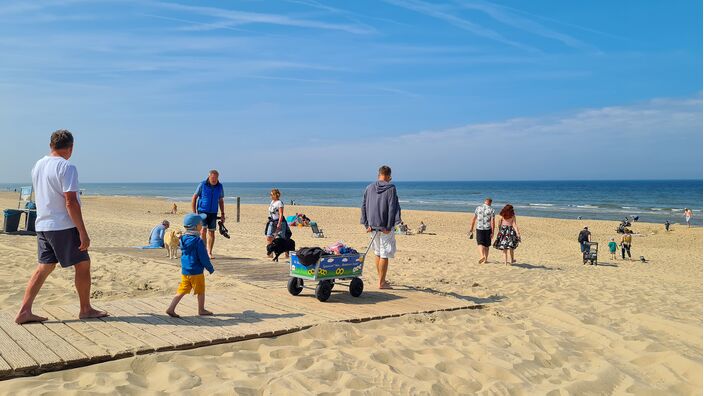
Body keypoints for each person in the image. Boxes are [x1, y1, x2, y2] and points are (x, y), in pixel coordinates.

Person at [15, 130, 108, 324]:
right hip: (62, 225)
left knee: (44, 266)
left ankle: (25, 310)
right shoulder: (67, 167)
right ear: (71, 147)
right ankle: (85, 308)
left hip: (42, 224)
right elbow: (71, 202)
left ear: (51, 145)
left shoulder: (38, 165)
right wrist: (82, 232)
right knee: (83, 264)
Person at [166, 213, 215, 318]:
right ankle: (201, 310)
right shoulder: (198, 241)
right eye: (200, 223)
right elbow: (203, 257)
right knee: (200, 291)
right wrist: (210, 268)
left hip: (185, 270)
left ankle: (171, 308)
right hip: (196, 271)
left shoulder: (183, 239)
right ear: (196, 227)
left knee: (182, 290)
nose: (202, 225)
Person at [361, 165, 401, 289]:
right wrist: (389, 226)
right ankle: (382, 282)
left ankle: (381, 280)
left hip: (372, 225)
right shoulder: (391, 188)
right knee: (384, 253)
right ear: (388, 176)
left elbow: (363, 206)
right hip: (384, 226)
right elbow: (392, 208)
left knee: (378, 252)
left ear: (379, 175)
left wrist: (367, 224)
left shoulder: (369, 187)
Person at [191, 170, 225, 259]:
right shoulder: (202, 184)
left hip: (213, 212)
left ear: (218, 177)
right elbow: (194, 197)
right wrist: (194, 212)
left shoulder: (220, 186)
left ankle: (209, 252)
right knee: (203, 231)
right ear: (209, 177)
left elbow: (221, 200)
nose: (214, 180)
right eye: (212, 178)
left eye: (216, 178)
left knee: (212, 232)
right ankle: (203, 251)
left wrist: (222, 213)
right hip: (202, 211)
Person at [469, 198, 496, 264]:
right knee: (487, 245)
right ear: (490, 203)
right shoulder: (492, 210)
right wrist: (493, 232)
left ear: (484, 202)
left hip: (479, 228)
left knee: (480, 243)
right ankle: (485, 259)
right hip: (488, 229)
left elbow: (474, 219)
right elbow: (492, 222)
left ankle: (481, 256)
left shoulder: (478, 208)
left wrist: (471, 229)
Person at [266, 189, 289, 253]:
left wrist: (279, 223)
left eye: (271, 194)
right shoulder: (272, 202)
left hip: (279, 222)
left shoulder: (279, 203)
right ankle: (269, 253)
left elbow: (281, 214)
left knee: (281, 239)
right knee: (269, 237)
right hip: (272, 221)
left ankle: (287, 253)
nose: (270, 196)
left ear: (275, 195)